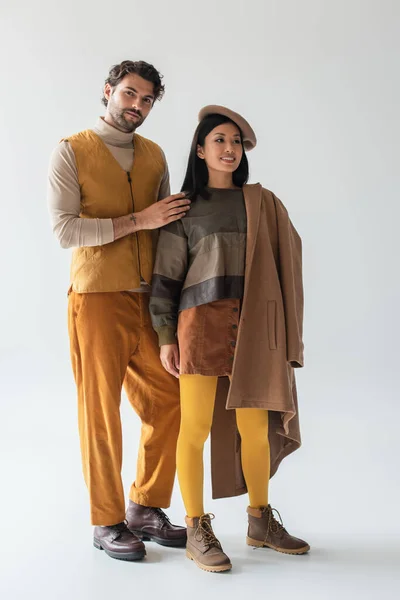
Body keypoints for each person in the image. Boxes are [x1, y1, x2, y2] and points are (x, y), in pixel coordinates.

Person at [149, 105, 310, 572]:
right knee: (194, 428)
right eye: (219, 140)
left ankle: (260, 521)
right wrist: (165, 334)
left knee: (254, 428)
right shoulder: (186, 208)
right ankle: (197, 525)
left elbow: (287, 262)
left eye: (236, 142)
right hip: (199, 328)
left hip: (257, 329)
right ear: (200, 149)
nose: (229, 149)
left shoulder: (263, 203)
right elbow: (166, 275)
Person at [47, 60, 190, 561]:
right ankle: (105, 520)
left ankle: (145, 506)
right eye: (130, 94)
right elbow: (66, 230)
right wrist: (138, 220)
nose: (137, 106)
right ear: (108, 91)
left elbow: (166, 226)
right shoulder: (71, 151)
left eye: (147, 100)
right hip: (97, 299)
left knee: (171, 398)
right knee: (100, 412)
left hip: (149, 299)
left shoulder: (153, 155)